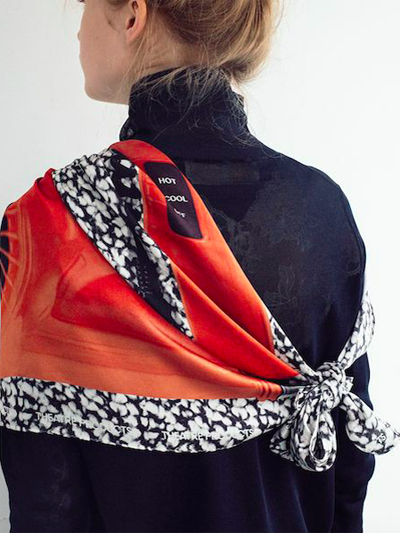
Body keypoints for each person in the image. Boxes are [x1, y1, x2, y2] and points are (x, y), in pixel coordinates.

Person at [1, 1, 396, 532]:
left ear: (133, 15)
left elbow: (45, 492)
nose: (77, 31)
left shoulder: (51, 225)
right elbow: (350, 461)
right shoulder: (323, 207)